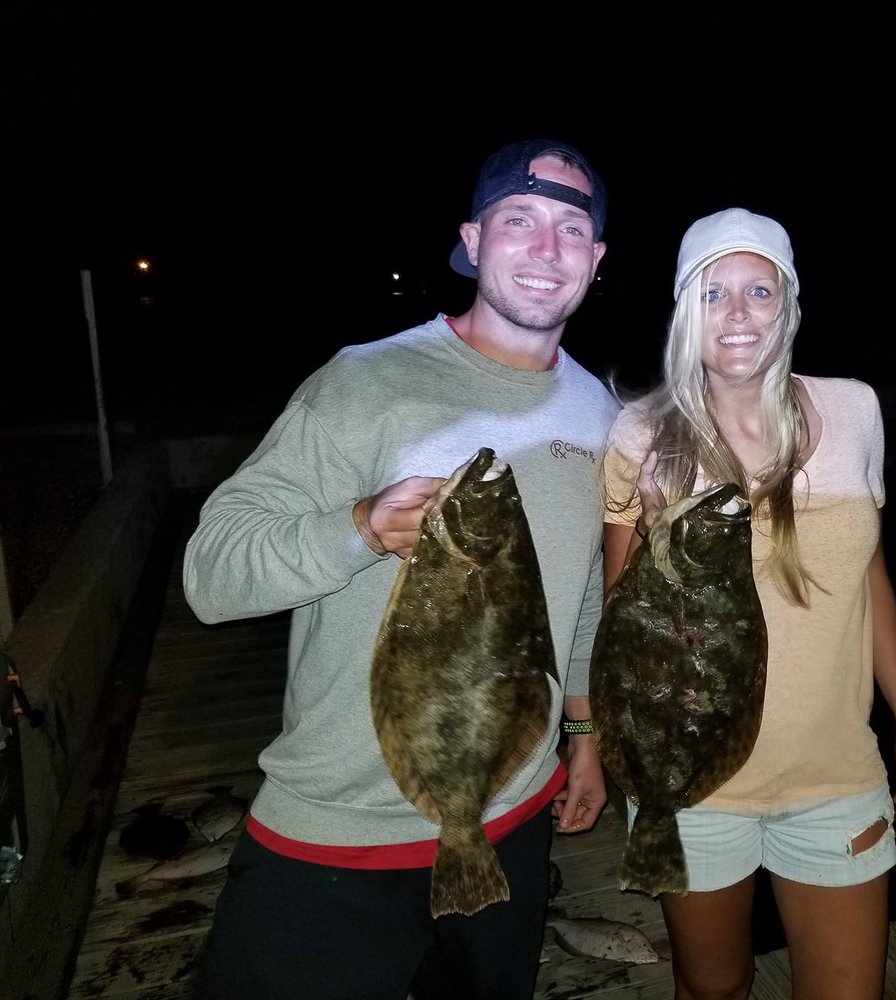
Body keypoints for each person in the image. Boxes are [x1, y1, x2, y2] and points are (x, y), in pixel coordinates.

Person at [182, 137, 619, 1000]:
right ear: (473, 238)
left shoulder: (598, 410)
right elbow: (211, 574)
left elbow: (579, 600)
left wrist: (584, 736)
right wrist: (359, 528)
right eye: (518, 221)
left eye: (571, 229)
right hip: (334, 832)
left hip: (515, 815)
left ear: (596, 259)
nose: (544, 250)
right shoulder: (363, 383)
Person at [599, 207, 896, 1000]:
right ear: (686, 309)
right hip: (690, 787)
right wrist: (599, 745)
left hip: (834, 773)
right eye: (713, 293)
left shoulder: (855, 409)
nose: (737, 314)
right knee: (712, 989)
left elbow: (869, 578)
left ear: (787, 305)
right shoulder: (641, 434)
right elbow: (618, 626)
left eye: (759, 290)